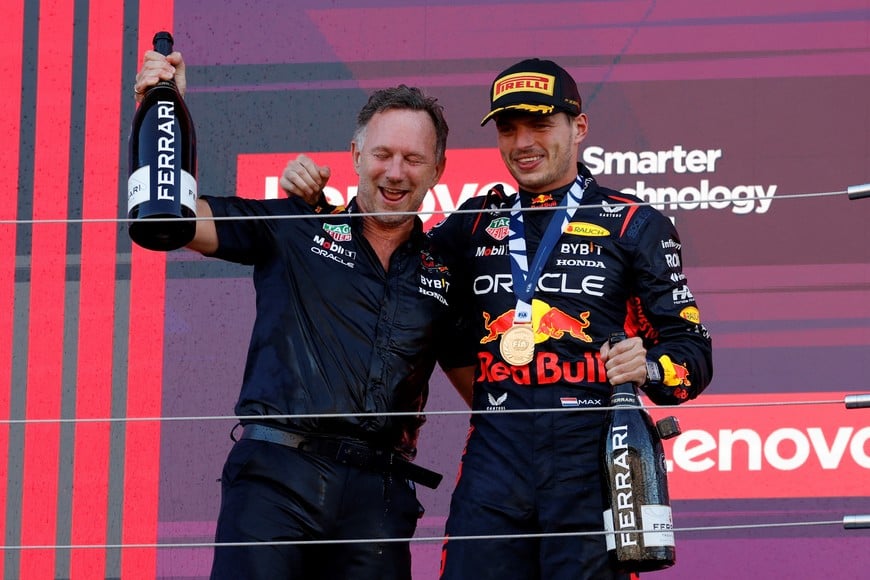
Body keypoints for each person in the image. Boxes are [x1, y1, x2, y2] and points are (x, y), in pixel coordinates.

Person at [280, 58, 713, 579]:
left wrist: (650, 367)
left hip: (594, 463)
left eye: (539, 124)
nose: (523, 141)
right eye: (509, 128)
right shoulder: (474, 222)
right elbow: (389, 267)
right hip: (495, 461)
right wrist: (316, 210)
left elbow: (692, 353)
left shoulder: (634, 223)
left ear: (578, 128)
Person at [134, 50, 475, 580]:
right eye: (382, 154)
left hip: (379, 501)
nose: (395, 172)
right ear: (356, 154)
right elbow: (176, 221)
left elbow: (485, 393)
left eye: (413, 159)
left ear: (439, 169)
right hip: (276, 480)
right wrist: (163, 114)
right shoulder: (297, 224)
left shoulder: (444, 273)